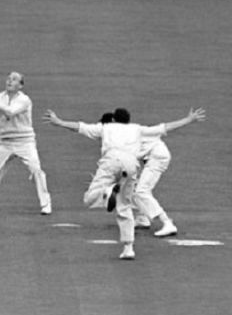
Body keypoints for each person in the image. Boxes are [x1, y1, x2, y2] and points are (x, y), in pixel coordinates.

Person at [42, 107, 206, 260]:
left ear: (113, 119)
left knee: (89, 199)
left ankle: (108, 192)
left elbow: (79, 127)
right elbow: (164, 127)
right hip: (131, 164)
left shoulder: (106, 127)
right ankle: (128, 249)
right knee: (125, 205)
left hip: (111, 161)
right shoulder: (137, 129)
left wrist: (59, 122)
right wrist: (189, 119)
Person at [0, 71, 52, 215]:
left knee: (36, 171)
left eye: (14, 80)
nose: (10, 81)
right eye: (9, 78)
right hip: (6, 143)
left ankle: (46, 204)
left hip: (25, 142)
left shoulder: (25, 100)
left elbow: (10, 112)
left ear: (20, 85)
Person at [102, 112, 179, 237]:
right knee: (132, 187)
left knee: (141, 191)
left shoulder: (124, 136)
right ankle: (142, 218)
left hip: (157, 158)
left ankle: (167, 223)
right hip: (150, 158)